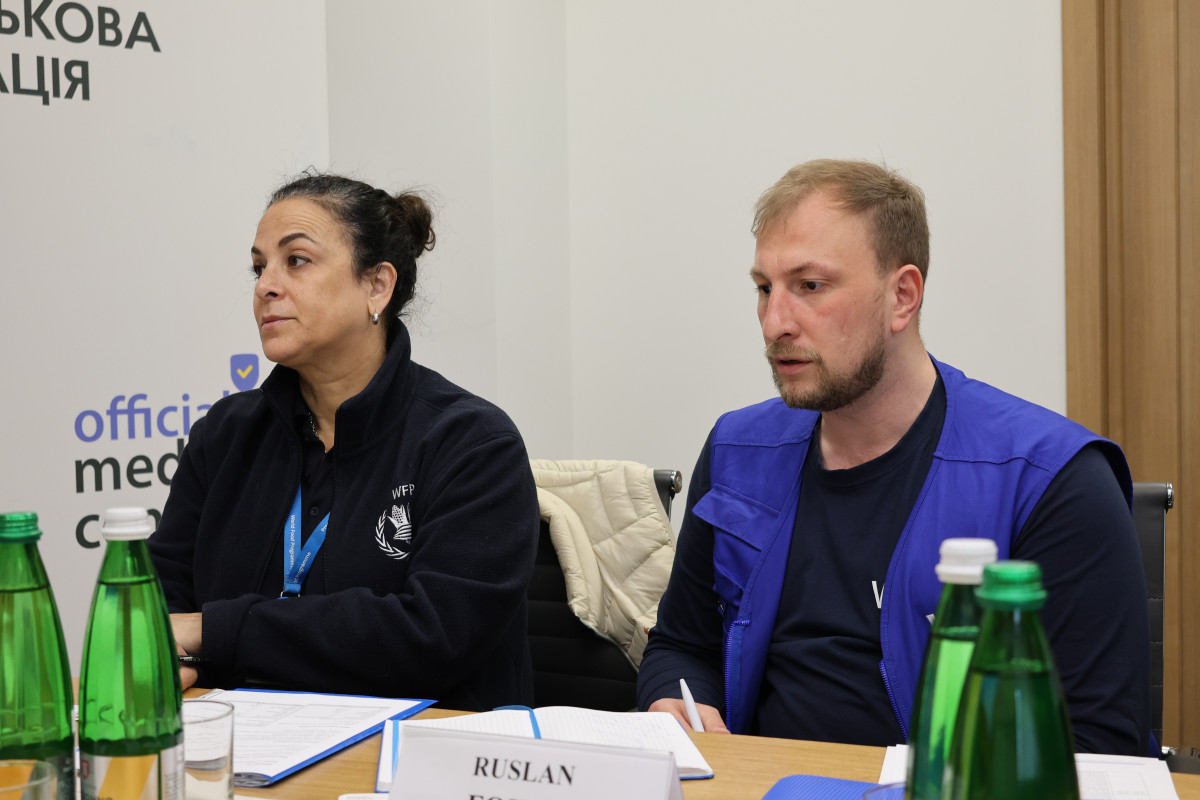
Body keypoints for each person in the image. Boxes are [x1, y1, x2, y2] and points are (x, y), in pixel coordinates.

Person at [636, 159, 1152, 755]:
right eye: (764, 288)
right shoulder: (738, 452)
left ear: (901, 297)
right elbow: (682, 646)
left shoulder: (1051, 479)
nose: (774, 323)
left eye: (810, 286)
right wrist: (672, 701)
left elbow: (1099, 744)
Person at [148, 173, 539, 710]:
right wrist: (181, 654)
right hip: (239, 738)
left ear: (376, 286)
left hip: (416, 747)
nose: (265, 287)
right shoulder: (225, 434)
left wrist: (212, 632)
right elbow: (159, 603)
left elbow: (432, 637)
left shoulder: (472, 442)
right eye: (259, 267)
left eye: (296, 260)